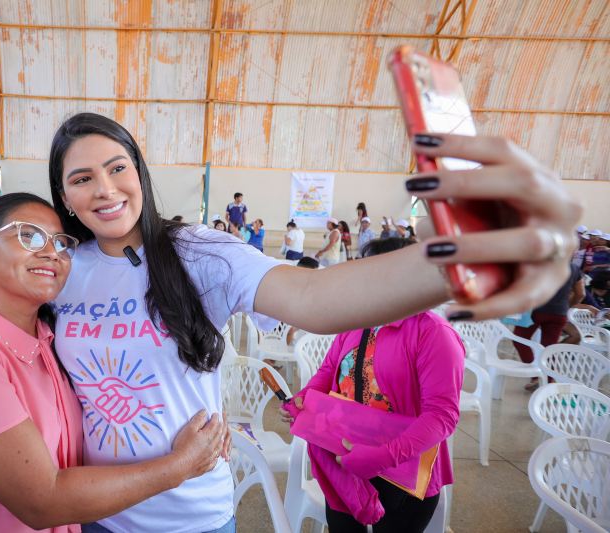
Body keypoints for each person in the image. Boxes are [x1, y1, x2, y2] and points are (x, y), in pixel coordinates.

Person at [46, 113, 578, 531]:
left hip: (189, 513)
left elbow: (313, 296)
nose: (105, 188)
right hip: (97, 512)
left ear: (139, 171)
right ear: (65, 196)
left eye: (118, 167)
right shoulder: (58, 271)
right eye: (82, 178)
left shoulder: (196, 253)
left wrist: (464, 253)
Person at [0, 193, 225, 532]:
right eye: (29, 235)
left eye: (62, 243)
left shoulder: (48, 339)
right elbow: (42, 500)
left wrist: (201, 417)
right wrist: (182, 465)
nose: (52, 252)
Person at [281, 237, 464, 533]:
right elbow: (329, 371)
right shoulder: (359, 321)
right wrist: (304, 398)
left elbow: (442, 416)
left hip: (402, 470)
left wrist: (383, 456)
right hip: (346, 461)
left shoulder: (433, 334)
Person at [513, 262, 584, 391]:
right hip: (558, 314)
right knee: (549, 348)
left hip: (535, 310)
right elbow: (580, 294)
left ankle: (535, 375)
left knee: (519, 340)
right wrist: (566, 305)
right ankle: (547, 381)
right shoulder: (573, 268)